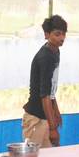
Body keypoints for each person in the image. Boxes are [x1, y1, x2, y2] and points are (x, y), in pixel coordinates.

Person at [23, 15, 67, 147]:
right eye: (57, 34)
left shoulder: (55, 51)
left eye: (64, 34)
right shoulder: (45, 57)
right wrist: (52, 128)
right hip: (36, 119)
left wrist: (56, 111)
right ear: (47, 35)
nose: (62, 38)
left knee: (52, 156)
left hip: (47, 117)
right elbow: (45, 95)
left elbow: (51, 89)